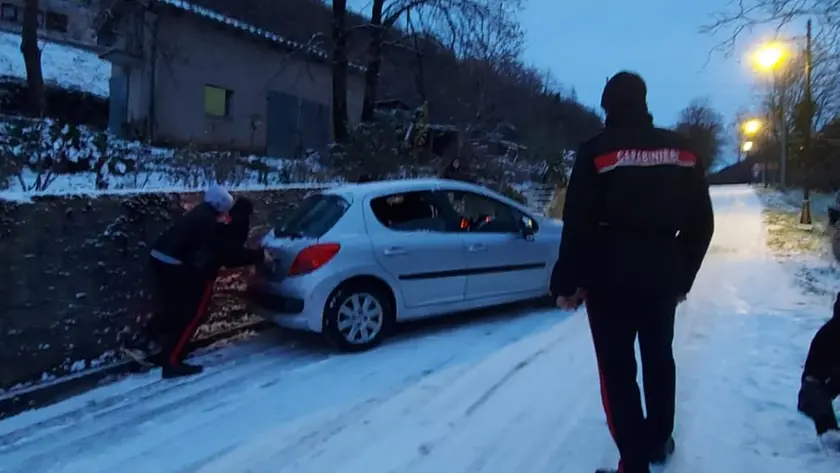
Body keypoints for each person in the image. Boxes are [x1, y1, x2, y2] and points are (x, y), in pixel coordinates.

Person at [550, 71, 714, 473]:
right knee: (659, 359)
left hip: (610, 277)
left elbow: (579, 224)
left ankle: (634, 462)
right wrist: (682, 276)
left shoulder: (596, 152)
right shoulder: (684, 151)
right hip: (661, 274)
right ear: (644, 102)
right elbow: (702, 223)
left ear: (607, 106)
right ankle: (657, 440)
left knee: (618, 372)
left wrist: (568, 283)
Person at [124, 184, 240, 379]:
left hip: (160, 256)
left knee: (173, 308)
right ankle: (172, 361)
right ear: (220, 206)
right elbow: (211, 251)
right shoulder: (208, 221)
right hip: (173, 263)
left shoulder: (199, 212)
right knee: (191, 314)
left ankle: (155, 345)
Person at [797, 292, 840, 451]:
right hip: (815, 395)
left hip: (814, 392)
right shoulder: (835, 331)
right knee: (833, 448)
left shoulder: (832, 328)